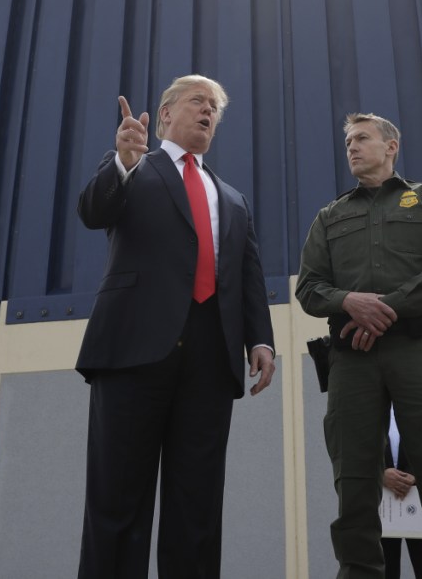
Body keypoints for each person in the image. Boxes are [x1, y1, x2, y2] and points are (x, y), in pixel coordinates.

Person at [75, 75, 277, 579]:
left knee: (198, 506)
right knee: (118, 498)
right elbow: (93, 211)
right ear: (165, 114)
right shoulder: (133, 166)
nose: (208, 112)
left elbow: (248, 273)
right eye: (198, 102)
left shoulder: (231, 197)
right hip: (133, 351)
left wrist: (261, 338)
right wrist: (123, 158)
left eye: (215, 108)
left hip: (211, 359)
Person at [295, 112, 422, 578]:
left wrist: (387, 310)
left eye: (362, 139)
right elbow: (309, 289)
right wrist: (349, 301)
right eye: (348, 143)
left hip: (418, 348)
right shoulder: (330, 216)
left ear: (391, 146)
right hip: (352, 358)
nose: (353, 148)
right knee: (355, 479)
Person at [381, 407, 422, 579]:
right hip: (378, 501)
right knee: (383, 568)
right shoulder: (367, 399)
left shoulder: (419, 397)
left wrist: (417, 474)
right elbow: (353, 447)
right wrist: (379, 473)